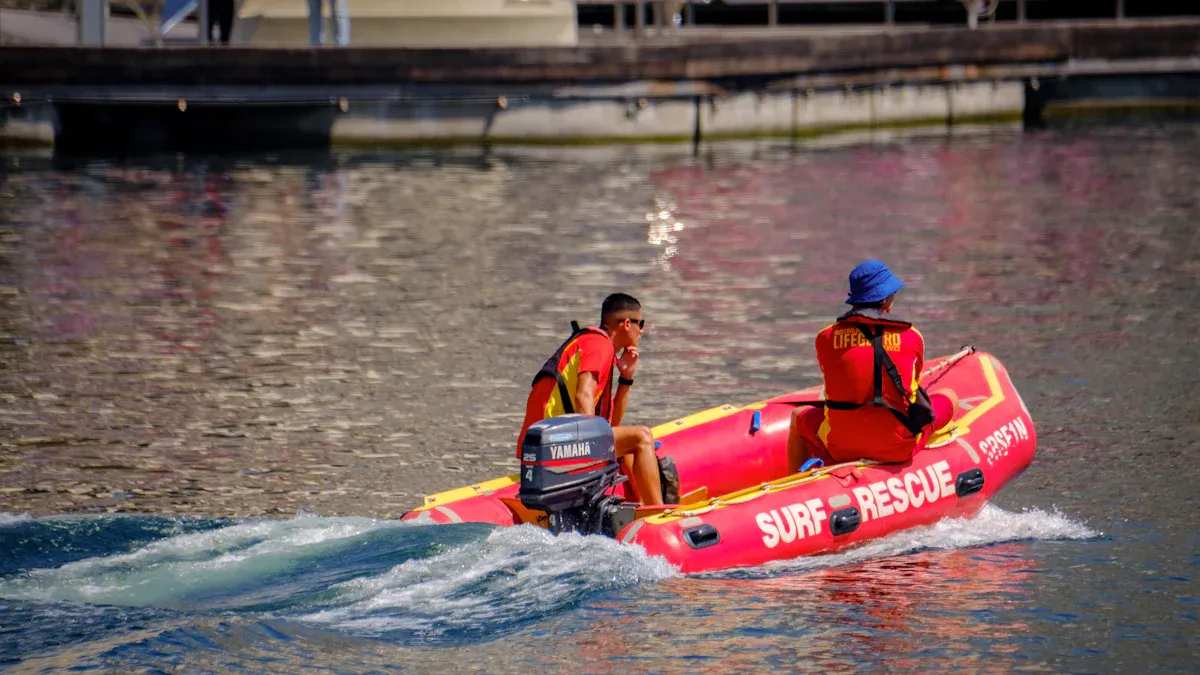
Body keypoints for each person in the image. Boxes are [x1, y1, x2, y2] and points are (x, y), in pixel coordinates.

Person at [788, 260, 957, 470]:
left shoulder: (825, 337)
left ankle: (796, 479)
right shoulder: (912, 336)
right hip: (897, 447)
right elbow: (912, 392)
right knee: (950, 397)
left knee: (798, 416)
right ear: (885, 299)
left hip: (839, 447)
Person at [517, 293, 664, 506]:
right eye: (640, 324)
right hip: (556, 445)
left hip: (548, 445)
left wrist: (626, 378)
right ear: (625, 324)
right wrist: (590, 447)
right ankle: (658, 512)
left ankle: (639, 509)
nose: (641, 331)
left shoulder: (595, 345)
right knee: (642, 436)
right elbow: (583, 395)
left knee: (629, 450)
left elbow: (612, 426)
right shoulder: (599, 345)